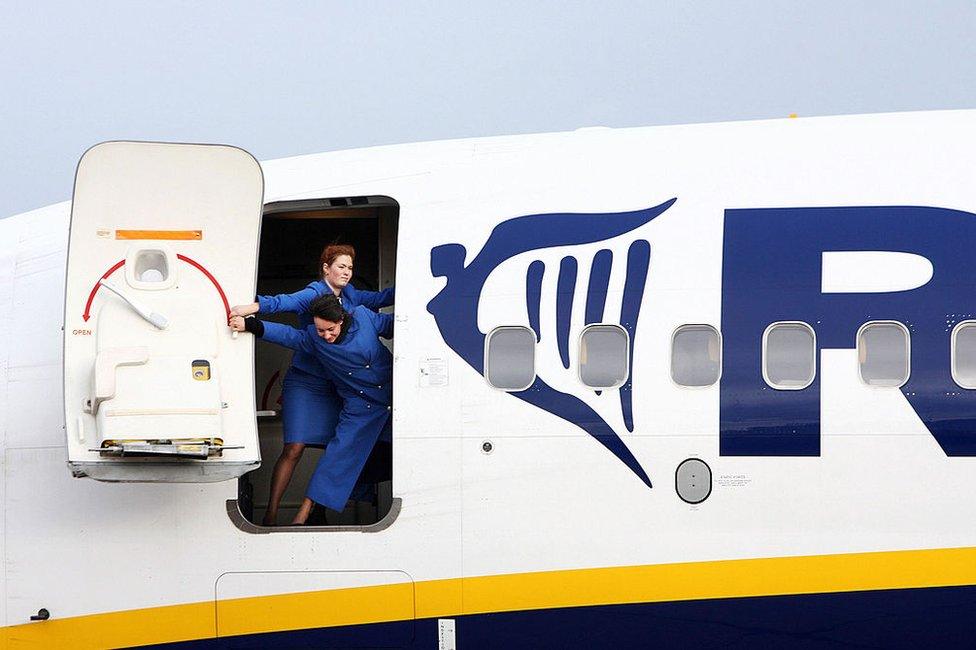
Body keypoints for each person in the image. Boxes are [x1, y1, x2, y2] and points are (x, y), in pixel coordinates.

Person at [231, 244, 394, 525]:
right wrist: (251, 318)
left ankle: (320, 508)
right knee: (301, 447)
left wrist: (422, 286)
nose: (346, 272)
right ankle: (277, 516)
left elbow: (390, 313)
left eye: (349, 267)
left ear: (342, 320)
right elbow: (286, 324)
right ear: (326, 268)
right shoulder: (314, 313)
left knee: (358, 448)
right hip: (320, 383)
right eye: (341, 266)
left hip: (354, 387)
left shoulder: (359, 308)